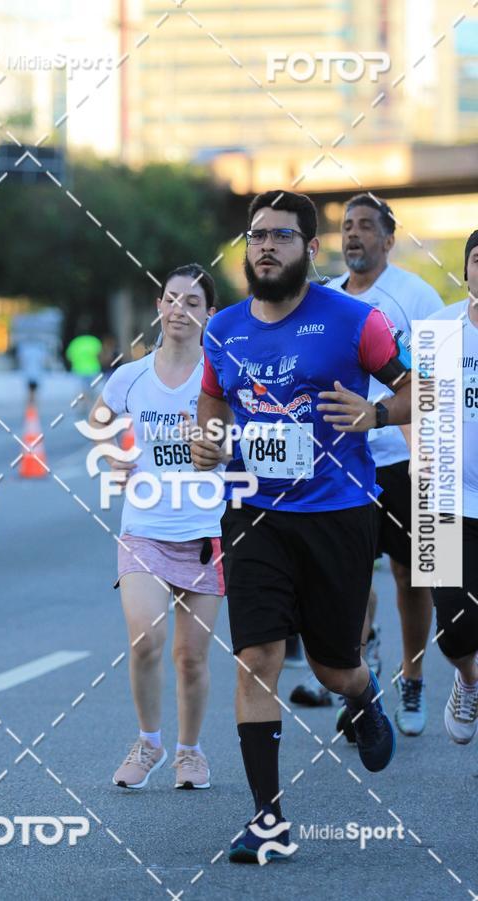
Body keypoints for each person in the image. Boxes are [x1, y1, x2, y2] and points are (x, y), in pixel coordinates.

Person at [191, 190, 411, 862]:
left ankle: (363, 693)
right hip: (254, 512)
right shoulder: (223, 328)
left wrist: (374, 416)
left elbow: (416, 390)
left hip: (338, 514)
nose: (266, 247)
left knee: (331, 663)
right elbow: (212, 397)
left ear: (310, 250)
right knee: (256, 657)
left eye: (282, 236)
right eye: (257, 235)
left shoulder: (355, 320)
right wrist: (208, 437)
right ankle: (267, 819)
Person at [302, 194, 442, 736]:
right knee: (350, 580)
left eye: (366, 226)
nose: (353, 235)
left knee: (415, 574)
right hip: (344, 464)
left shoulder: (417, 296)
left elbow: (436, 385)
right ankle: (363, 679)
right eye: (346, 227)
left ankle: (413, 678)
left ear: (389, 238)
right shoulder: (327, 298)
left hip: (411, 458)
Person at [88, 264, 225, 791]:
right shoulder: (131, 376)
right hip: (144, 524)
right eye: (171, 300)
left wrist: (219, 451)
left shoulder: (220, 377)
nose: (179, 311)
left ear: (208, 314)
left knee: (191, 657)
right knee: (146, 638)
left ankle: (189, 754)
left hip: (204, 529)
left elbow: (241, 445)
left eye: (192, 303)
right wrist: (111, 458)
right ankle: (148, 742)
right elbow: (98, 427)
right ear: (158, 307)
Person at [427, 230, 478, 744]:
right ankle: (468, 678)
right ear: (466, 270)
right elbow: (405, 397)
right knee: (455, 629)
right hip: (445, 500)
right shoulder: (440, 330)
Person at [66, 332, 102, 410]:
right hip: (93, 369)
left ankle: (84, 406)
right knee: (92, 389)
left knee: (82, 389)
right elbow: (100, 354)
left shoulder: (75, 342)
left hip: (79, 370)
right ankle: (92, 406)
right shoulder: (94, 341)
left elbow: (69, 356)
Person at [16, 335, 48, 406]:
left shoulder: (25, 350)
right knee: (35, 393)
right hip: (36, 374)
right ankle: (33, 408)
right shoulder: (39, 350)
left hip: (29, 374)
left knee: (29, 392)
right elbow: (44, 361)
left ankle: (30, 408)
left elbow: (21, 361)